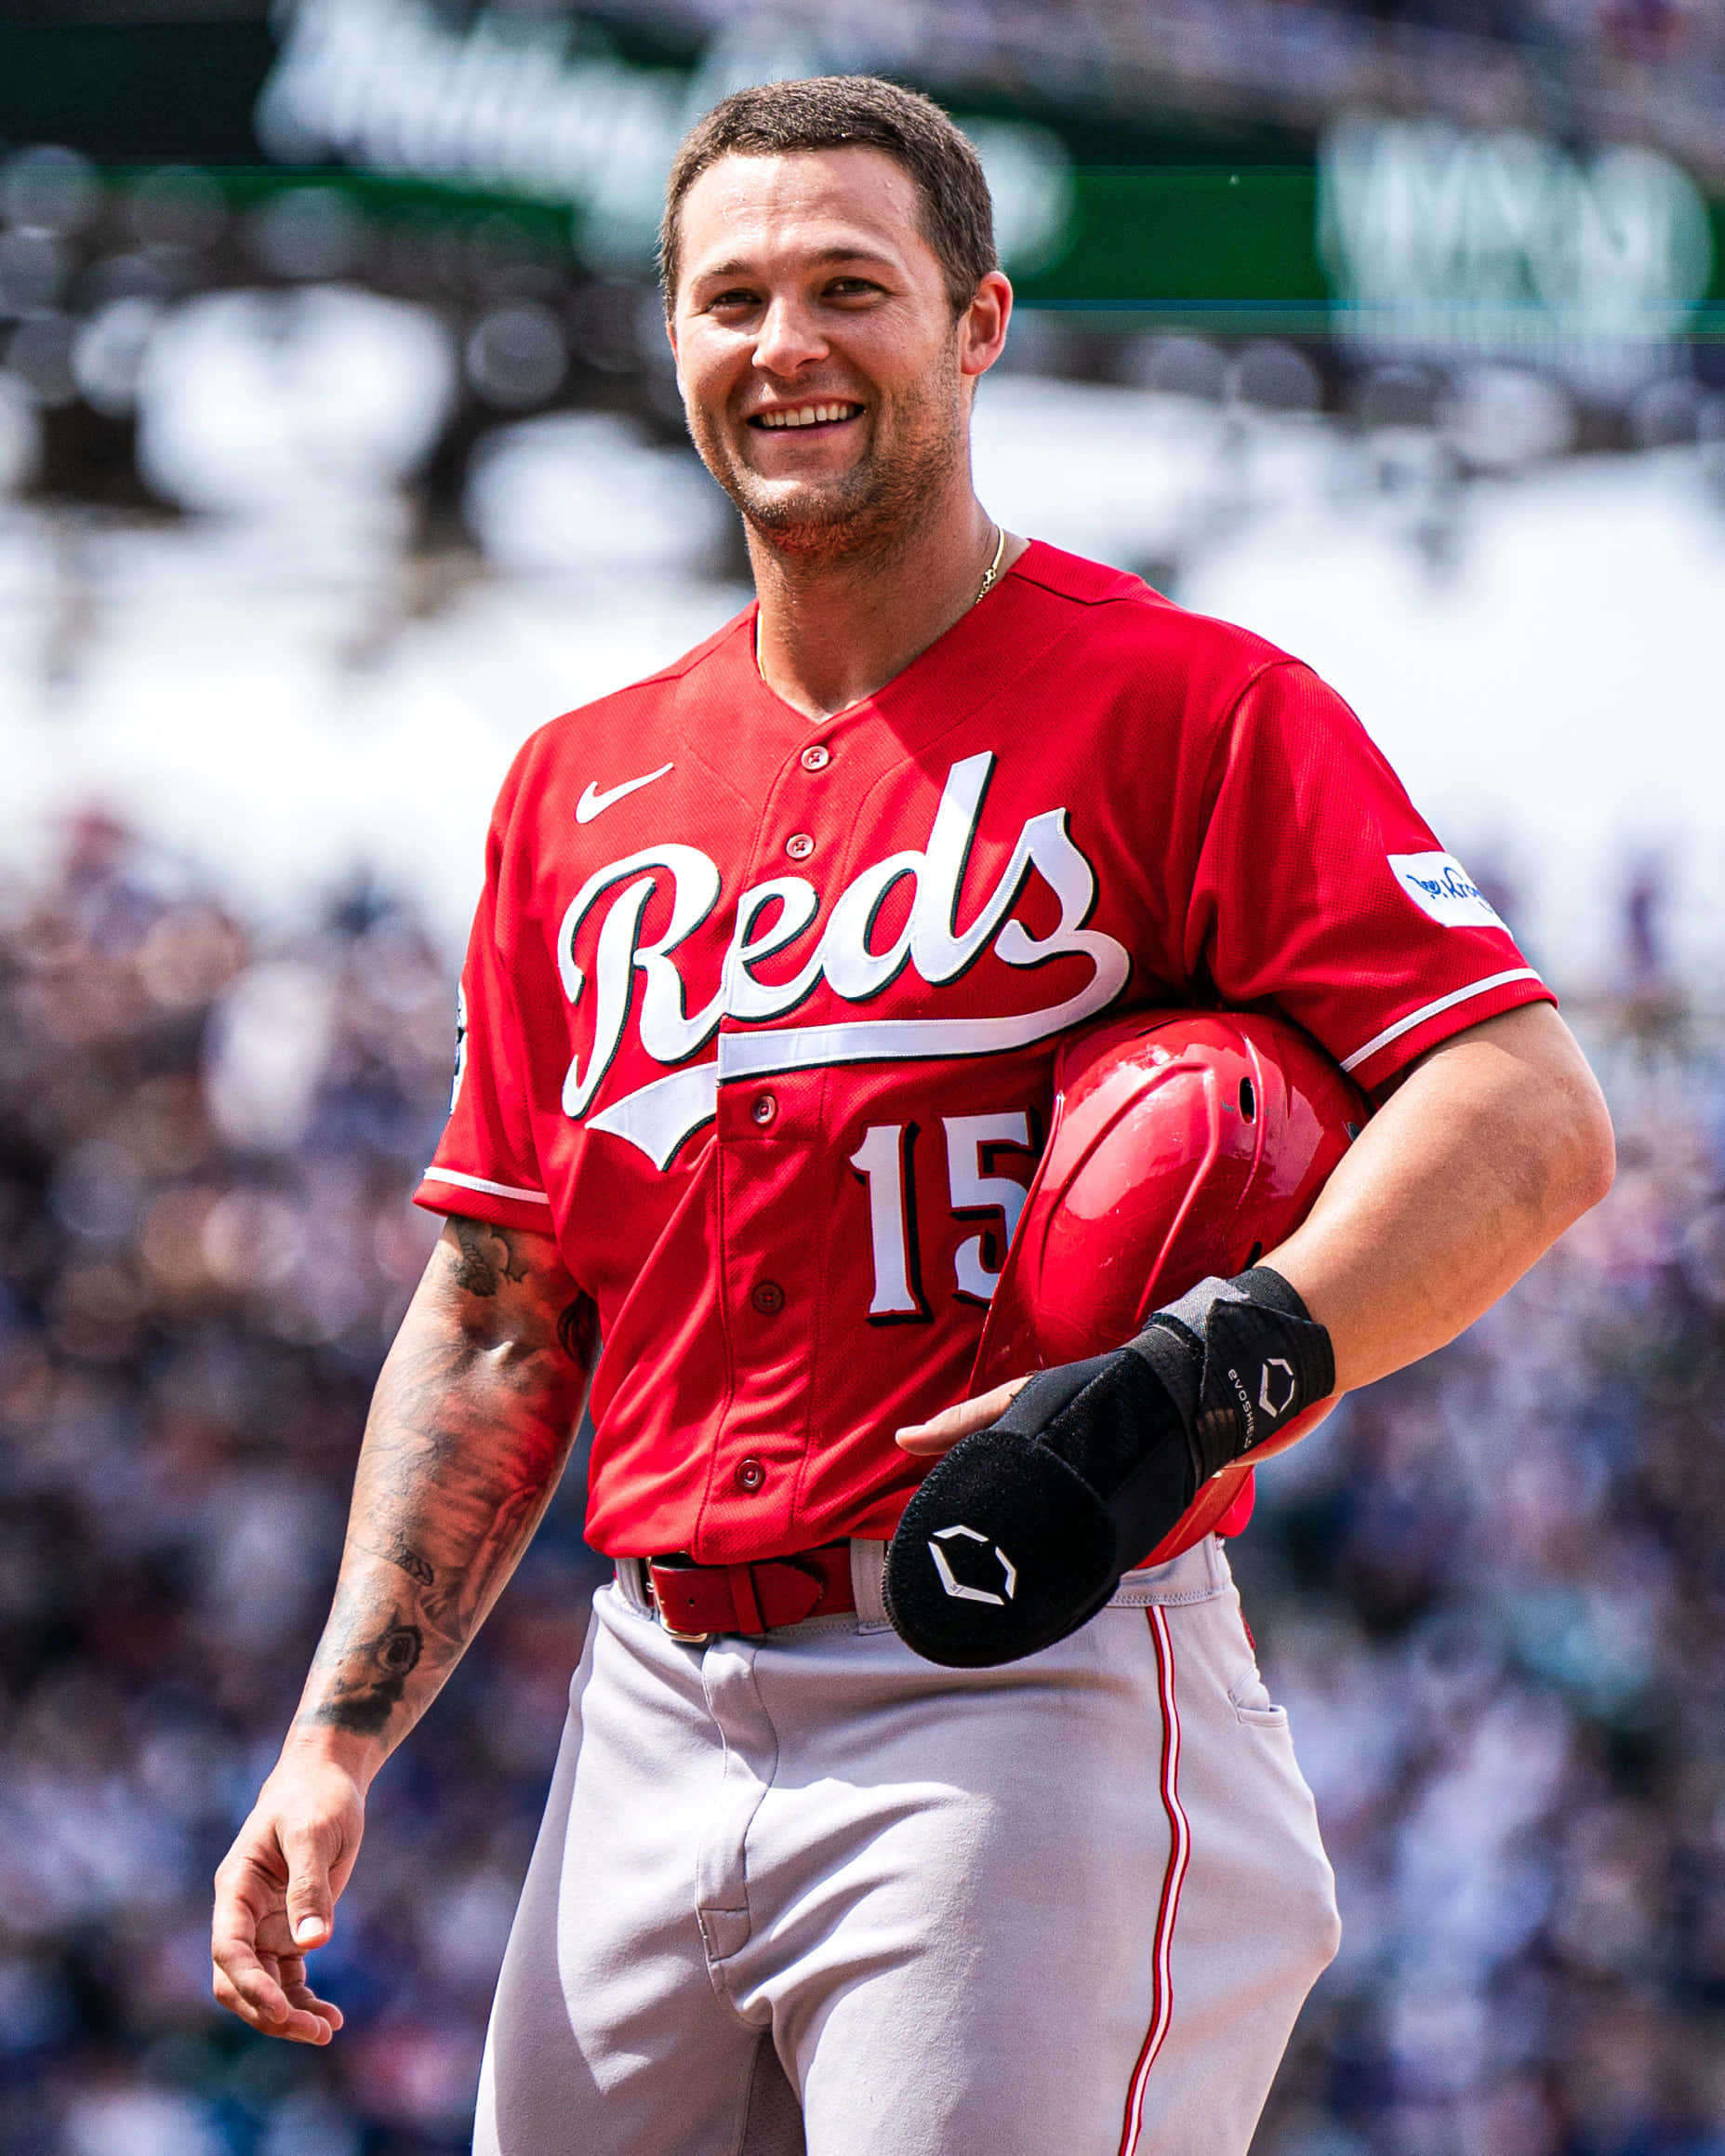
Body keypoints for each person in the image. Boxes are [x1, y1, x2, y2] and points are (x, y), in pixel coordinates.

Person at [210, 75, 1615, 2154]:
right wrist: (337, 1737)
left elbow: (1523, 1110)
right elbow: (504, 1307)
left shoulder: (1190, 705)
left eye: (850, 287)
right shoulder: (574, 783)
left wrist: (1204, 1371)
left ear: (977, 325)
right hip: (652, 1694)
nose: (783, 343)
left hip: (1025, 1677)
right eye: (732, 297)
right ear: (672, 341)